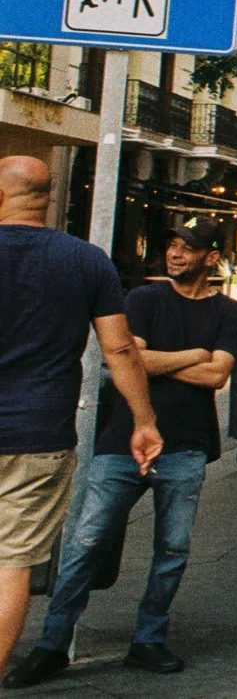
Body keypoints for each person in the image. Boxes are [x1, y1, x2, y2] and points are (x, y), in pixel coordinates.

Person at [9, 220, 237, 685]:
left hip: (187, 445)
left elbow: (217, 376)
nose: (175, 254)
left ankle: (148, 639)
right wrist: (194, 354)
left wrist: (157, 360)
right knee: (85, 541)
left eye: (188, 248)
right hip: (121, 440)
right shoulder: (143, 299)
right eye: (172, 245)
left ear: (211, 258)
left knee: (172, 548)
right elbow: (125, 364)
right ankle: (52, 644)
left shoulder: (228, 311)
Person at [0, 157, 161, 679]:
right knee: (12, 564)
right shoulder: (86, 261)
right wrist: (144, 420)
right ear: (47, 198)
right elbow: (120, 351)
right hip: (38, 434)